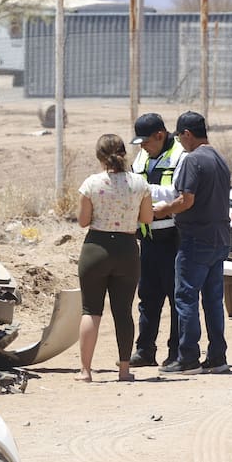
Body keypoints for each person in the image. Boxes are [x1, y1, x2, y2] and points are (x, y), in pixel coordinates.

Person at [155, 111, 231, 375]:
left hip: (196, 240)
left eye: (180, 137)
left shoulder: (192, 160)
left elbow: (186, 200)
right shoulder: (219, 158)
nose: (180, 143)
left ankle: (188, 357)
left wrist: (164, 209)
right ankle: (217, 357)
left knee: (186, 297)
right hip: (219, 239)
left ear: (187, 134)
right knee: (212, 300)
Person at [76, 133, 154, 383]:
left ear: (100, 156)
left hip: (96, 248)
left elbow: (83, 221)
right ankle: (124, 370)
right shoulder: (139, 184)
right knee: (123, 311)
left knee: (91, 310)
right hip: (127, 248)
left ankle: (86, 371)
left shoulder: (91, 184)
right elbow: (147, 219)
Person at [128, 113, 185, 368]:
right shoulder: (142, 156)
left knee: (176, 299)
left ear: (160, 136)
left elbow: (179, 193)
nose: (142, 147)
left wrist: (144, 189)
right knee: (148, 297)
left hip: (174, 237)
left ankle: (176, 352)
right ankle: (145, 350)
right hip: (148, 238)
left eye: (146, 142)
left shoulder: (181, 156)